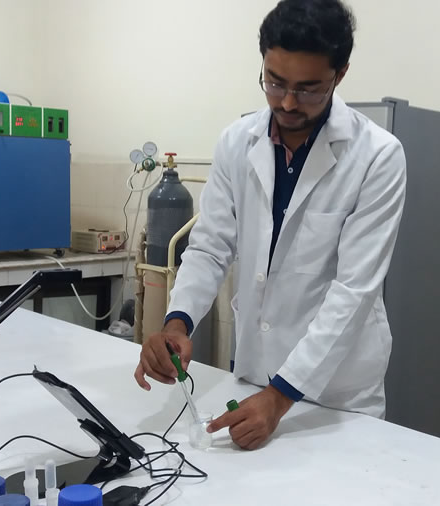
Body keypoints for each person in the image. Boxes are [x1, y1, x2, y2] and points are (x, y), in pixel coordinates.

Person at [133, 0, 406, 450]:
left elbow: (354, 291)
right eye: (274, 82)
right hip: (255, 376)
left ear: (340, 75)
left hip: (336, 393)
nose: (287, 102)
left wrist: (280, 398)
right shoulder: (238, 142)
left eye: (309, 88)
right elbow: (209, 246)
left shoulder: (378, 155)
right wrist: (178, 323)